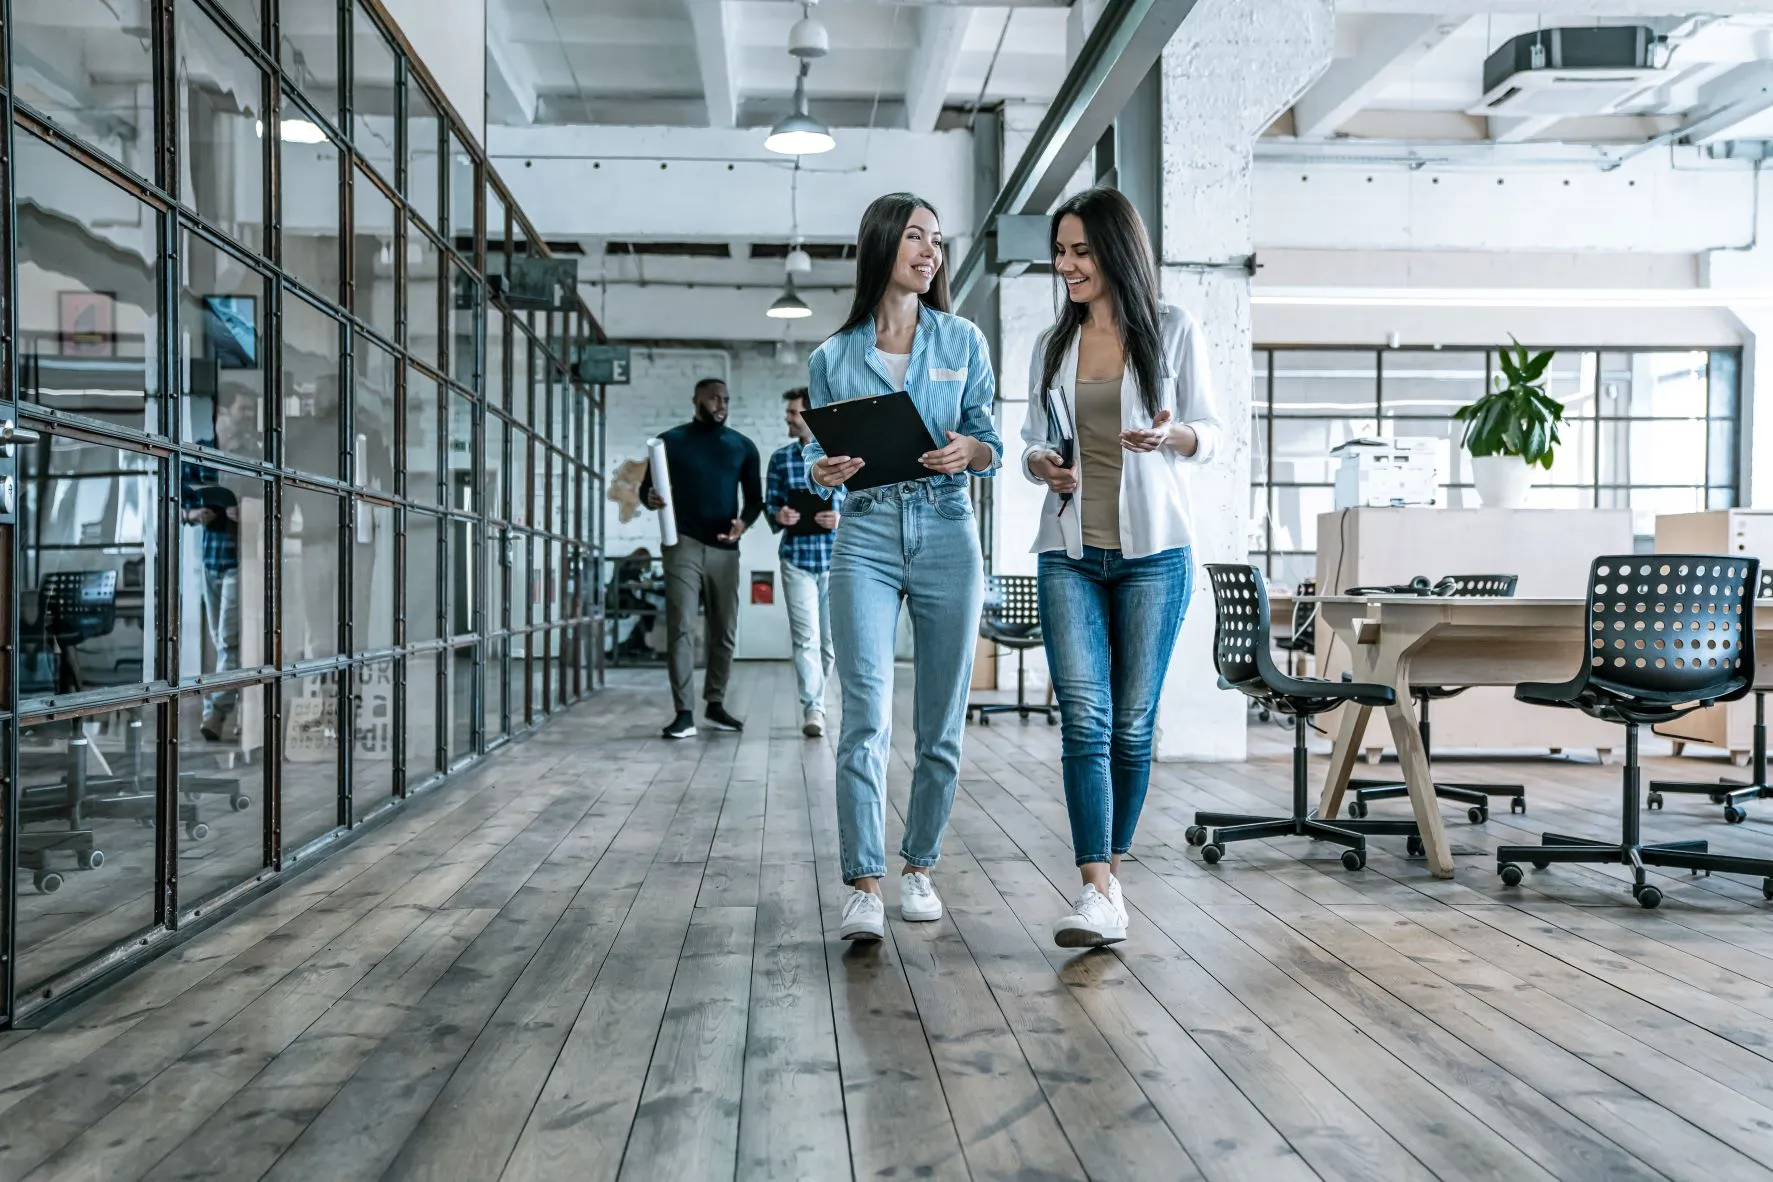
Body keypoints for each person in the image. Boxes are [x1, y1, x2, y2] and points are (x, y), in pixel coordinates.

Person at [1020, 186, 1223, 948]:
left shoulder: (1171, 329)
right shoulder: (1052, 342)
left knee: (1132, 725)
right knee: (1085, 717)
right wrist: (1042, 462)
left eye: (1080, 251)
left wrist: (1173, 438)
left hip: (1153, 556)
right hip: (1069, 552)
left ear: (1115, 252)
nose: (1065, 265)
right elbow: (1031, 441)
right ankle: (1096, 887)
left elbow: (1214, 432)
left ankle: (1111, 866)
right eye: (1060, 252)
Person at [804, 192, 1001, 942]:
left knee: (939, 720)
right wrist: (823, 473)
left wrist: (971, 451)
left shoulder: (962, 342)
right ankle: (862, 883)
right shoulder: (832, 356)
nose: (930, 252)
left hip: (949, 529)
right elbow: (825, 460)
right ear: (883, 244)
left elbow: (989, 441)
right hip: (866, 534)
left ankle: (919, 866)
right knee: (864, 718)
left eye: (937, 241)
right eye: (916, 237)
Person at [639, 378, 763, 740]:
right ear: (696, 400)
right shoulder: (670, 442)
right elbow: (647, 492)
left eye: (726, 398)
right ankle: (683, 712)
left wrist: (743, 524)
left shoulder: (742, 446)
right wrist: (652, 499)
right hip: (683, 544)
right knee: (681, 627)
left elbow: (755, 500)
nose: (721, 404)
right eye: (714, 398)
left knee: (723, 630)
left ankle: (715, 703)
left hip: (725, 548)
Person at [765, 388, 845, 738]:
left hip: (836, 560)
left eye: (793, 413)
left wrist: (841, 519)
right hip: (796, 558)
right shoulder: (781, 459)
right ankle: (813, 707)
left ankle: (820, 700)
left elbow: (863, 502)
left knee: (830, 643)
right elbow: (770, 505)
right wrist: (779, 514)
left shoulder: (843, 457)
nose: (788, 417)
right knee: (806, 638)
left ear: (811, 417)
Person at [181, 390, 256, 741]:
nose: (248, 415)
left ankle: (216, 713)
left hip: (240, 559)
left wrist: (248, 513)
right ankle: (239, 704)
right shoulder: (199, 453)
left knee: (228, 641)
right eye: (243, 408)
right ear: (222, 413)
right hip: (209, 557)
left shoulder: (254, 453)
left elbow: (276, 504)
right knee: (222, 640)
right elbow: (177, 502)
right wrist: (196, 514)